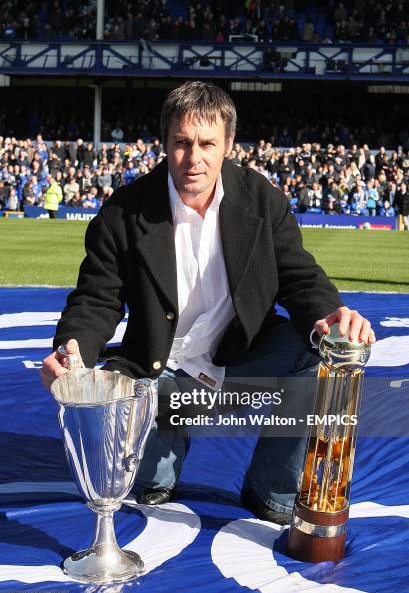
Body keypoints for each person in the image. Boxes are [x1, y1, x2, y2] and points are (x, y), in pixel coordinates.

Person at [40, 81, 375, 524]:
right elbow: (97, 298)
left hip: (241, 361)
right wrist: (71, 349)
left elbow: (299, 276)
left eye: (206, 143)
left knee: (319, 355)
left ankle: (271, 490)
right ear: (165, 142)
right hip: (158, 375)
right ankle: (165, 443)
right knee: (149, 490)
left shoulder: (262, 200)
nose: (193, 157)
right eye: (181, 142)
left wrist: (328, 314)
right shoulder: (123, 211)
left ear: (228, 144)